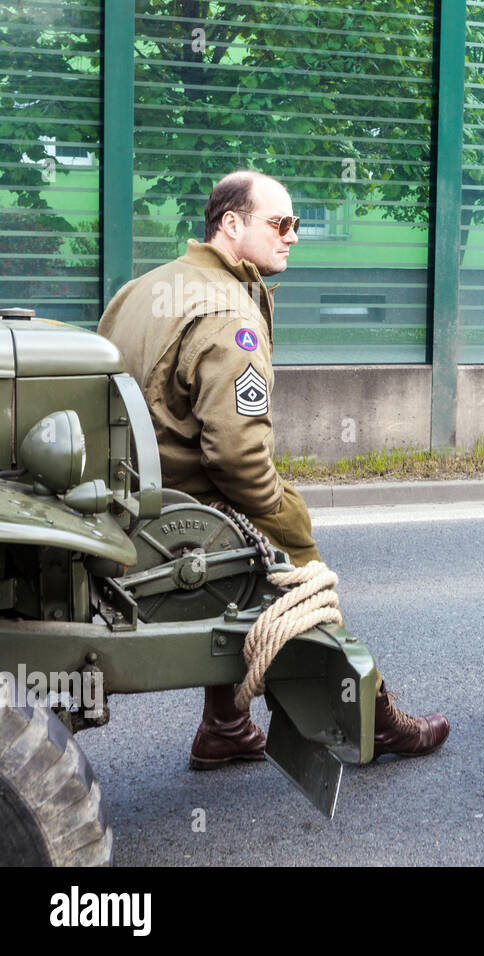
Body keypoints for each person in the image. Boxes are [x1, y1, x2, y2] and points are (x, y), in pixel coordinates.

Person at [98, 170, 449, 767]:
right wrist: (283, 508)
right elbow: (236, 457)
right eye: (280, 223)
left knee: (246, 551)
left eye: (296, 225)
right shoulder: (229, 312)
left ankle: (226, 725)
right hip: (180, 511)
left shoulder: (141, 289)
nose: (293, 236)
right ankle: (376, 720)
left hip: (125, 499)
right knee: (300, 563)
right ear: (230, 225)